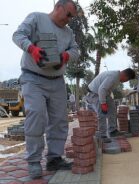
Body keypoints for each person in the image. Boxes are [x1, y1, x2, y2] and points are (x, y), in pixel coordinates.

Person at [12, 0, 79, 179]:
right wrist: (32, 49)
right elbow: (18, 35)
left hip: (57, 81)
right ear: (58, 7)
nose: (70, 20)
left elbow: (75, 50)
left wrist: (66, 55)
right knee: (36, 114)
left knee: (59, 120)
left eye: (72, 17)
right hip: (32, 78)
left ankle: (54, 158)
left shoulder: (68, 33)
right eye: (68, 15)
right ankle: (34, 161)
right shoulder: (36, 18)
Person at [84, 68, 136, 142]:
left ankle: (112, 131)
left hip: (103, 94)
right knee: (102, 114)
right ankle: (102, 135)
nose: (125, 82)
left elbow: (105, 89)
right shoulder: (113, 76)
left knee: (112, 109)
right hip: (94, 94)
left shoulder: (117, 77)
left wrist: (106, 101)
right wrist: (103, 103)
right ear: (125, 76)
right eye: (127, 80)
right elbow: (101, 89)